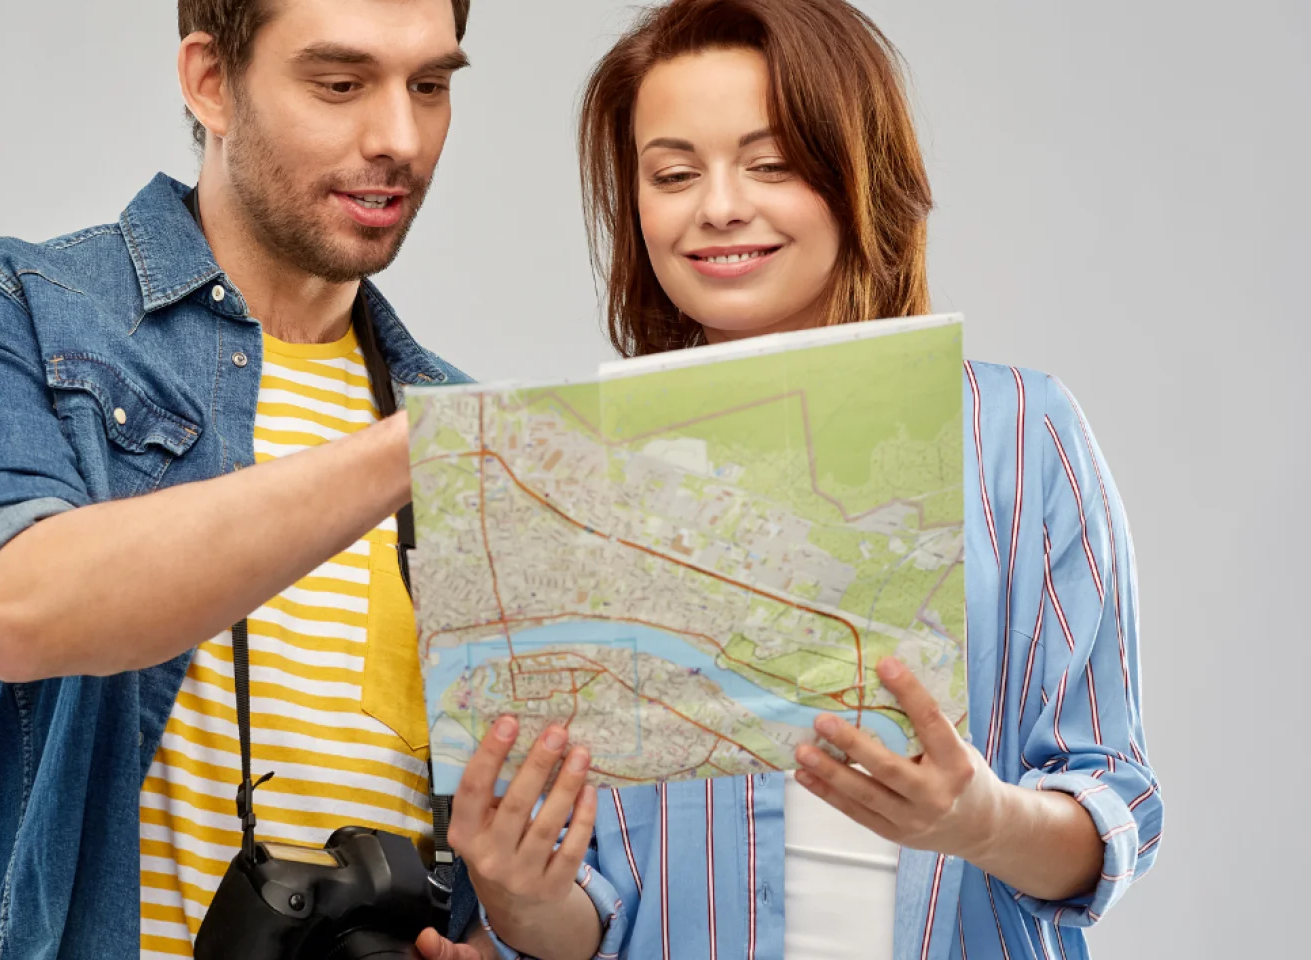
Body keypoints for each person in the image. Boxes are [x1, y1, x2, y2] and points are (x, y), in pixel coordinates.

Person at [444, 2, 1164, 959]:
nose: (719, 206)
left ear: (857, 172)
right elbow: (592, 912)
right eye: (672, 174)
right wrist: (518, 897)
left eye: (771, 163)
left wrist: (980, 822)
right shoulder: (568, 480)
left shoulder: (1021, 434)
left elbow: (1115, 805)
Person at [0, 2, 507, 958]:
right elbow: (15, 606)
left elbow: (523, 830)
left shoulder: (459, 425)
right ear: (211, 81)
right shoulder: (14, 309)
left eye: (429, 86)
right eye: (341, 84)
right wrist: (417, 448)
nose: (399, 138)